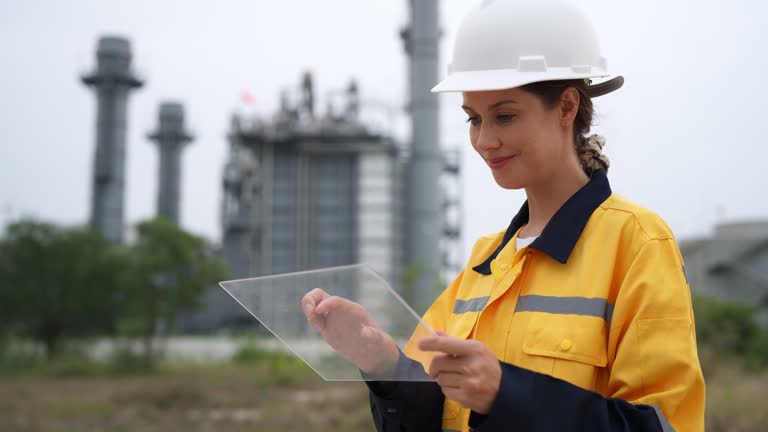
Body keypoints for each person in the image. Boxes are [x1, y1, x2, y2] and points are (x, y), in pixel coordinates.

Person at [302, 0, 705, 430]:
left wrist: (506, 395)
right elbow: (436, 413)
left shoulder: (637, 243)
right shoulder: (487, 259)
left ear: (567, 107)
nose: (485, 140)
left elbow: (665, 425)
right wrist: (382, 361)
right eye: (474, 119)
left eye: (505, 116)